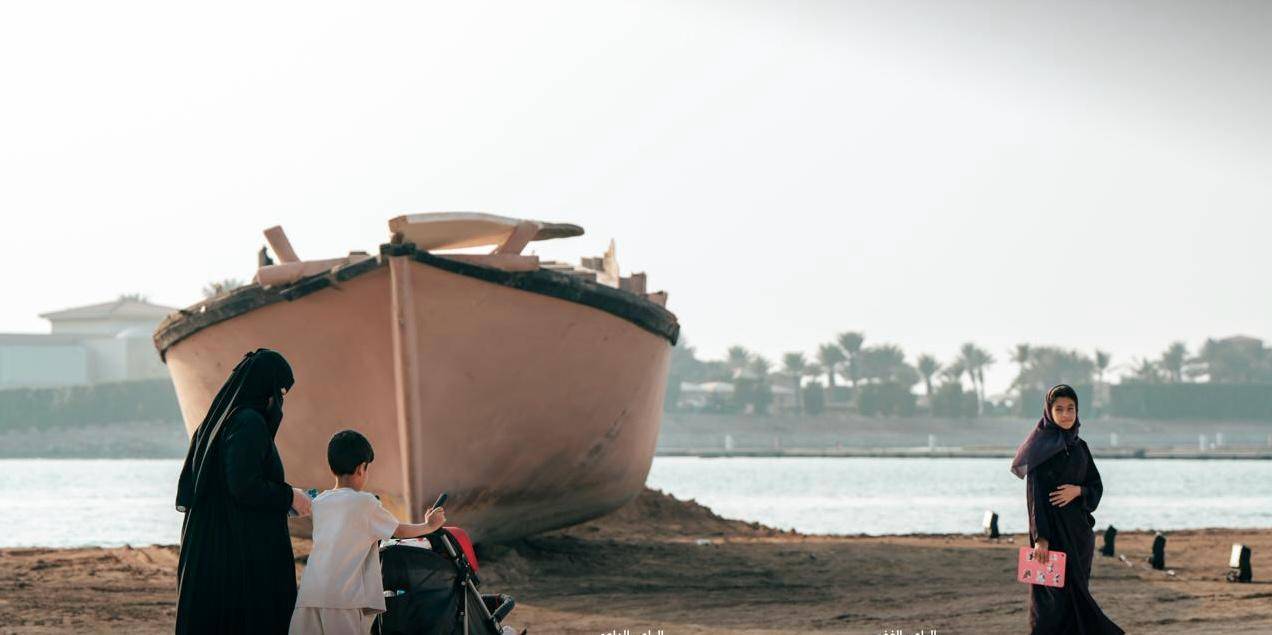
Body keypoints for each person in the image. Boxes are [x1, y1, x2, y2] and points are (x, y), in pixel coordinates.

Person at [175, 348, 313, 634]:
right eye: (280, 392)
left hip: (213, 550)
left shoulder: (216, 423)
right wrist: (290, 496)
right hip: (238, 556)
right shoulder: (248, 422)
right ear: (266, 389)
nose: (279, 402)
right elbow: (244, 486)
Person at [290, 429, 446, 634]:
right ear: (360, 469)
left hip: (309, 595)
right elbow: (398, 530)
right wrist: (428, 526)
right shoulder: (365, 502)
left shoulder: (320, 501)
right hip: (343, 599)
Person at [1010, 384, 1124, 635]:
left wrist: (1078, 491)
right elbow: (1035, 498)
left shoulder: (1080, 447)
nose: (1066, 414)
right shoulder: (1039, 448)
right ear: (1049, 412)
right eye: (1059, 409)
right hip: (1052, 536)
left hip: (1079, 536)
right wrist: (1040, 539)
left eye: (1071, 408)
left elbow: (1096, 486)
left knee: (1077, 597)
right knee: (1051, 605)